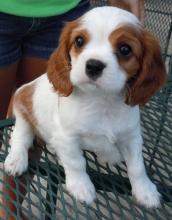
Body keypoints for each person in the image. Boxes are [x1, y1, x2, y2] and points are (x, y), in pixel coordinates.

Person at [0, 0, 144, 219]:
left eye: (123, 50)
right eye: (81, 42)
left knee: (39, 132)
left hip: (62, 9)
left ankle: (8, 211)